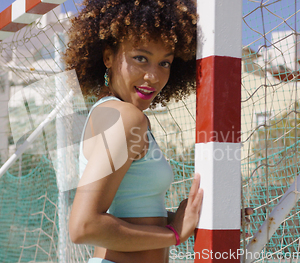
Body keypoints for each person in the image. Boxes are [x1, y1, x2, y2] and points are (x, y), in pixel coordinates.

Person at [63, 1, 202, 262]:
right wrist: (174, 234)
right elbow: (84, 226)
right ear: (107, 57)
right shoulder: (127, 118)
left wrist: (198, 219)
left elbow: (130, 214)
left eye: (164, 63)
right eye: (141, 58)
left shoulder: (110, 113)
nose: (153, 76)